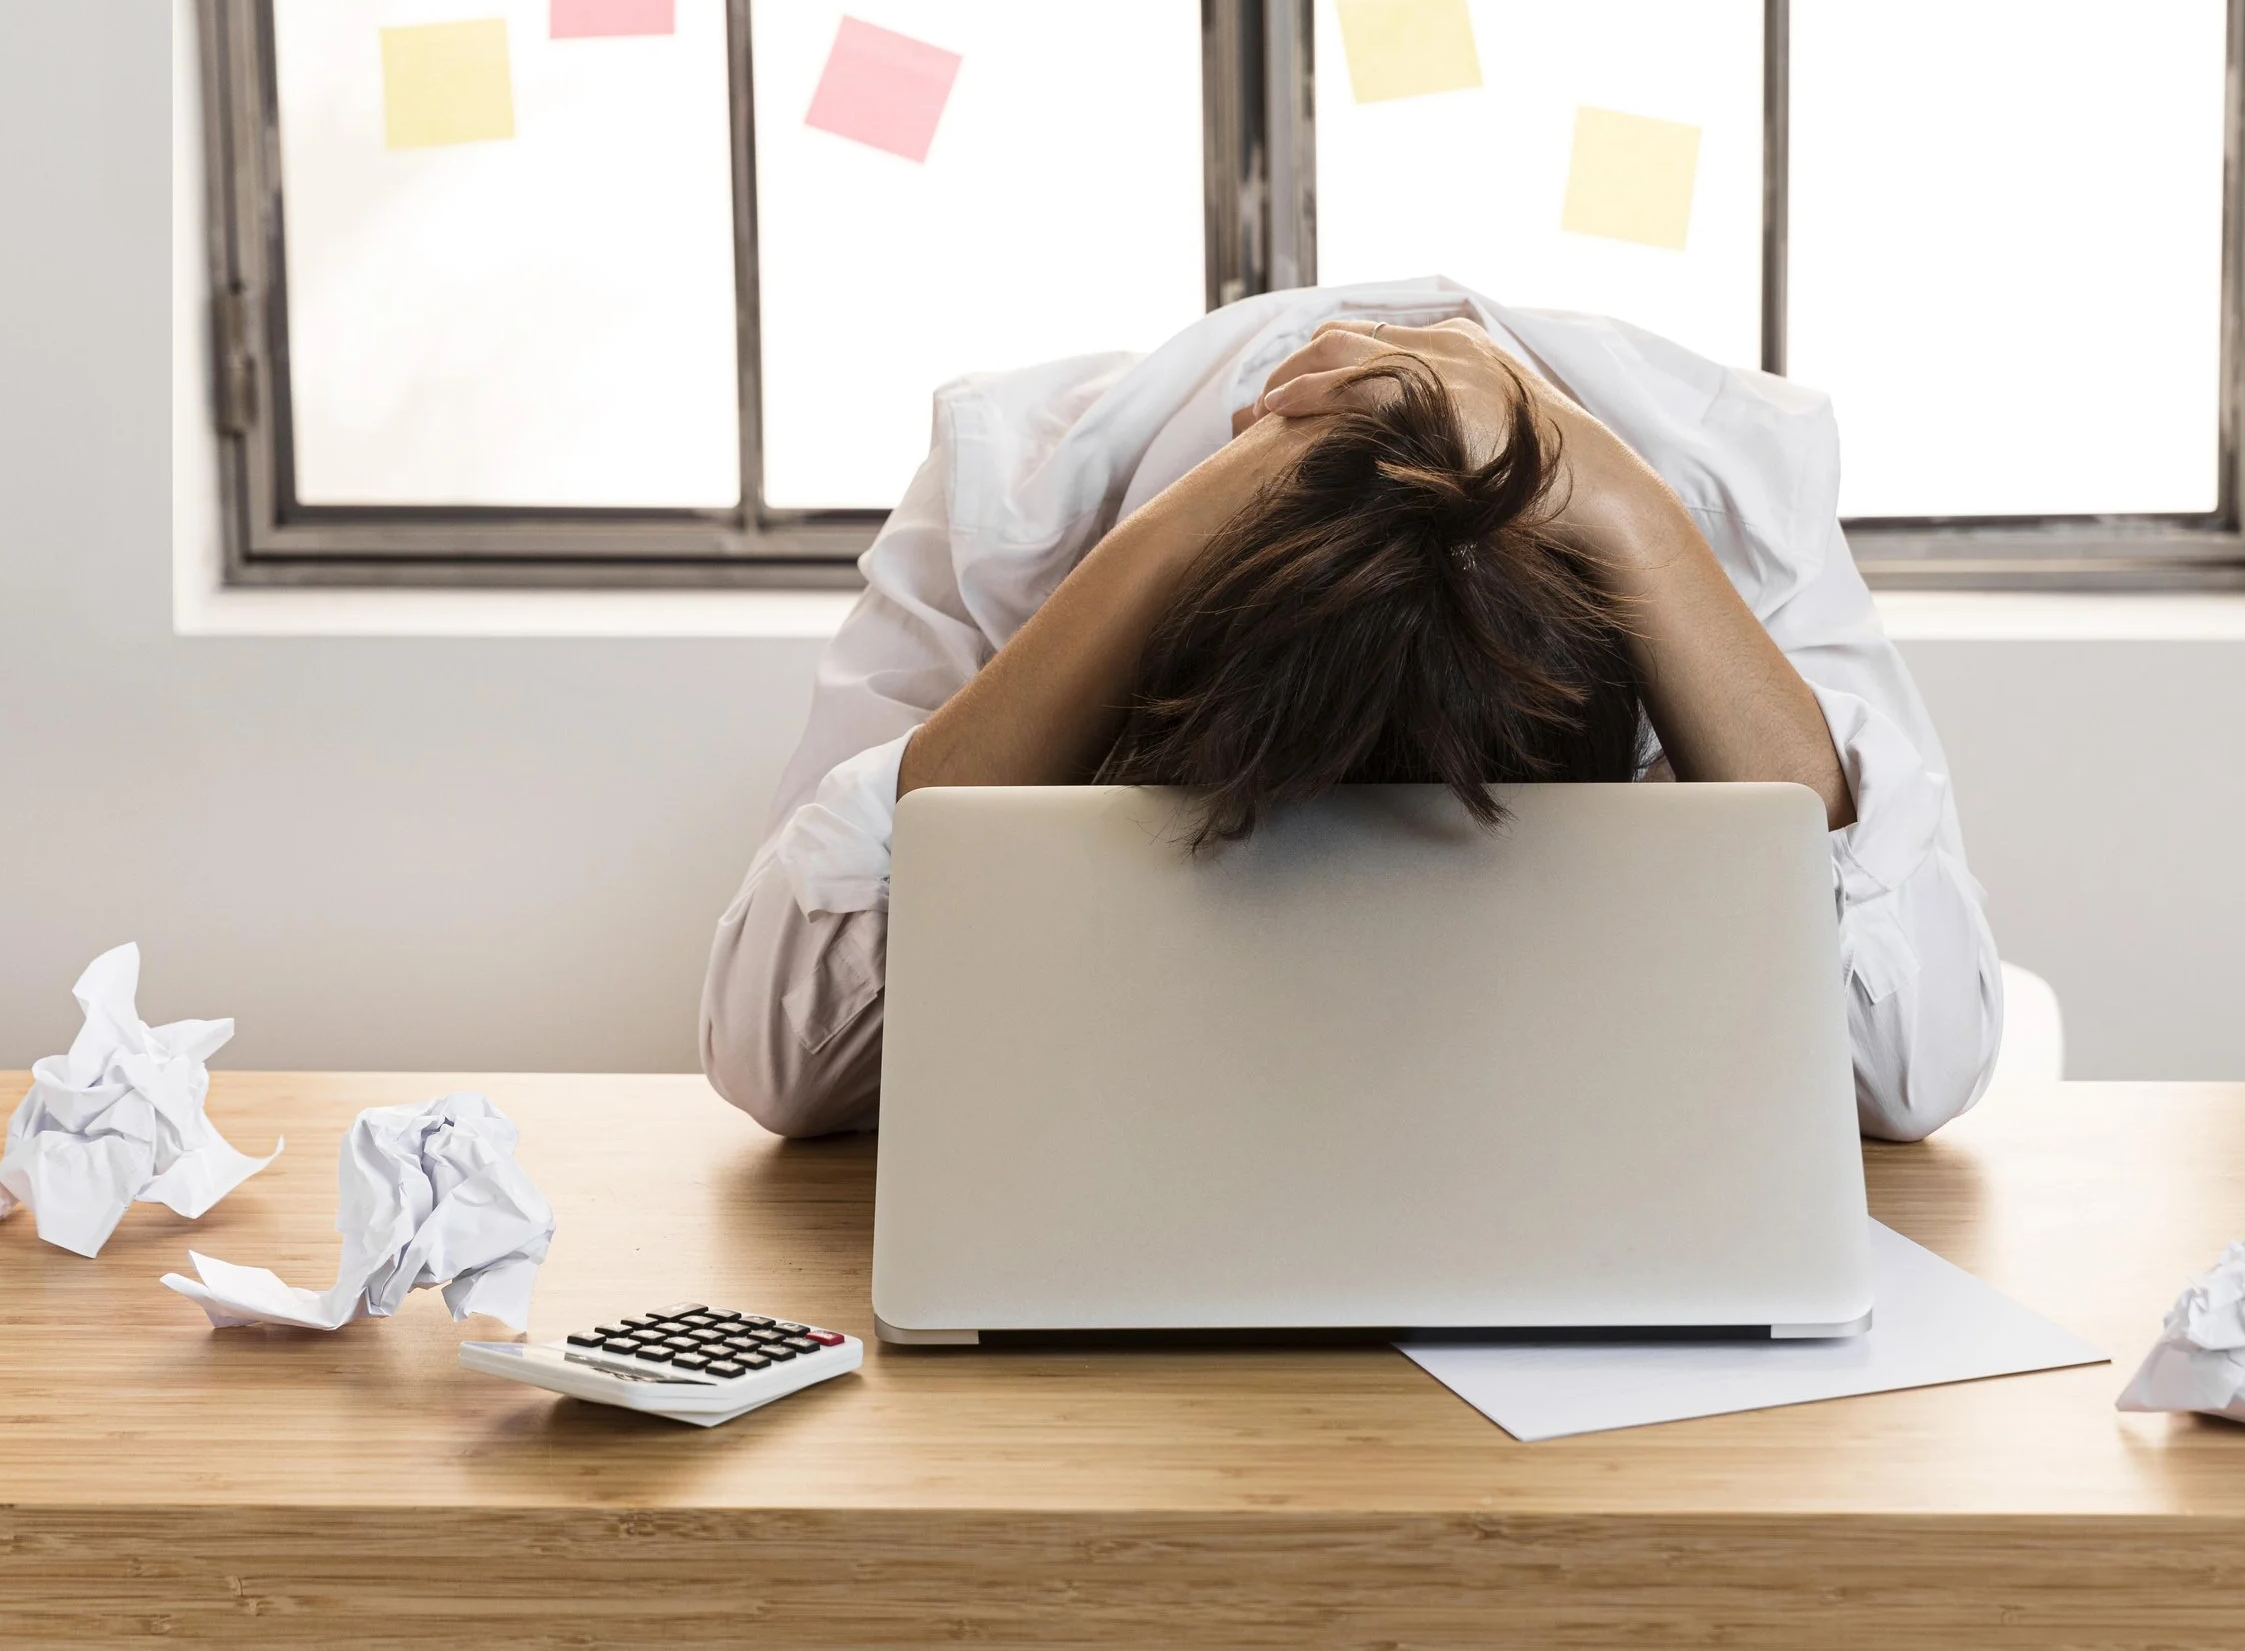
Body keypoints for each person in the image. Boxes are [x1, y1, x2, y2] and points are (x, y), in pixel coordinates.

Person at [701, 279, 2001, 1143]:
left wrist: (1625, 512)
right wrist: (1166, 543)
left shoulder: (1730, 489)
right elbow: (781, 1054)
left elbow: (1913, 1058)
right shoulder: (1012, 488)